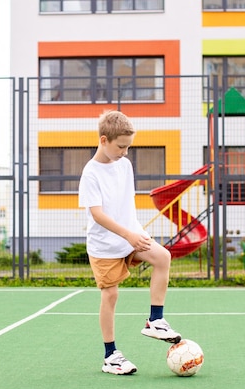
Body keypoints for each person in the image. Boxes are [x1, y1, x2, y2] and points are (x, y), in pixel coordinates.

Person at [78, 110, 182, 375]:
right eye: (121, 146)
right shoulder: (90, 174)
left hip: (131, 236)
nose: (125, 152)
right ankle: (110, 356)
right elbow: (98, 214)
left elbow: (124, 204)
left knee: (163, 257)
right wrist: (128, 235)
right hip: (105, 245)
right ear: (104, 140)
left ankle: (155, 320)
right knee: (110, 295)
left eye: (128, 146)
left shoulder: (125, 165)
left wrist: (135, 233)